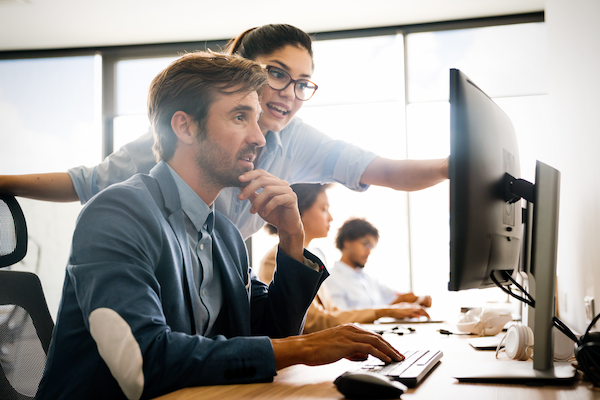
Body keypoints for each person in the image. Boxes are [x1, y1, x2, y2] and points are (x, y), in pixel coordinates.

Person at [35, 52, 403, 400]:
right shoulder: (118, 213)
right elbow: (141, 359)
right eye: (240, 117)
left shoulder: (224, 232)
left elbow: (271, 336)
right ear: (185, 126)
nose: (260, 137)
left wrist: (292, 240)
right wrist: (304, 347)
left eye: (257, 119)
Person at [0, 24, 448, 240]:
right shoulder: (184, 134)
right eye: (275, 73)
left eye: (303, 83)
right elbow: (87, 182)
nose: (289, 93)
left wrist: (455, 168)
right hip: (158, 283)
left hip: (215, 287)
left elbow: (385, 170)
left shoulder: (297, 140)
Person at [258, 183, 429, 333]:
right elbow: (316, 323)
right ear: (298, 212)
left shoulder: (310, 259)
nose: (331, 217)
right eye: (324, 209)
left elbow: (333, 313)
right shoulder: (278, 259)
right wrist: (384, 311)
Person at [325, 218, 432, 311]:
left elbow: (396, 297)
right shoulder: (330, 279)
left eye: (372, 247)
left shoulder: (369, 280)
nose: (369, 252)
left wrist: (417, 299)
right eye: (365, 244)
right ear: (347, 241)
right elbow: (339, 320)